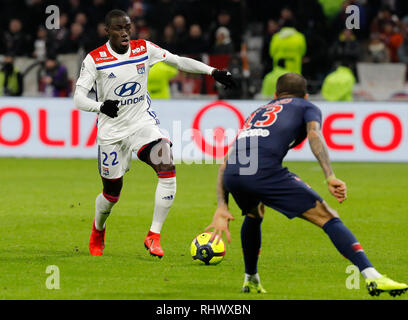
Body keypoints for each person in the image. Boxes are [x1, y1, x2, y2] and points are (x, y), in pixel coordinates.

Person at [206, 73, 408, 296]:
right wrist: (330, 176)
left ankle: (251, 279)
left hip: (233, 172)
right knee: (327, 216)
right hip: (264, 172)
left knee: (254, 213)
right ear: (306, 94)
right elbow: (314, 135)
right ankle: (373, 277)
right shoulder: (306, 106)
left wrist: (221, 206)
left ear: (275, 95)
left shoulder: (257, 112)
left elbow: (226, 160)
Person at [74, 9, 235, 258]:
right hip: (112, 133)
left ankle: (154, 235)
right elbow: (78, 98)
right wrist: (100, 106)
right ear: (107, 31)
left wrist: (212, 71)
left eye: (128, 26)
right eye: (119, 28)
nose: (125, 32)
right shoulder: (94, 59)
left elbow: (178, 61)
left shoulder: (143, 48)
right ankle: (98, 228)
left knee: (167, 167)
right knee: (111, 194)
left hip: (142, 124)